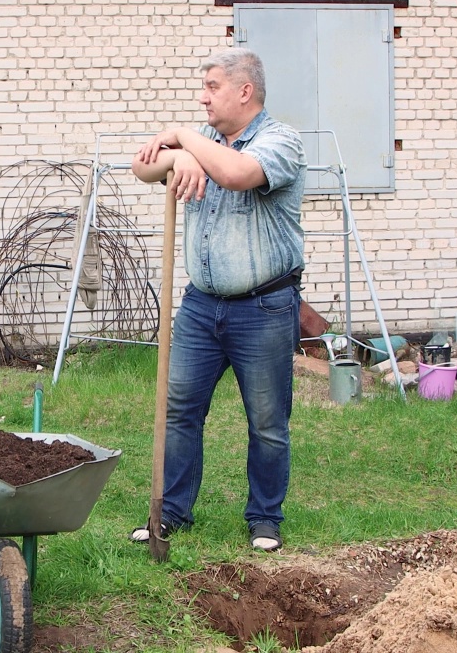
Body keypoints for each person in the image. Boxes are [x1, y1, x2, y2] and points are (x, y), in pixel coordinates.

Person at [129, 47, 307, 552]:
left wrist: (184, 139)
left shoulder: (281, 141)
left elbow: (235, 174)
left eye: (212, 87)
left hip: (264, 307)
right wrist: (180, 155)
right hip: (201, 305)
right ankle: (174, 513)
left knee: (267, 421)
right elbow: (140, 168)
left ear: (244, 91)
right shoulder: (203, 141)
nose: (202, 97)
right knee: (180, 407)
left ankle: (265, 519)